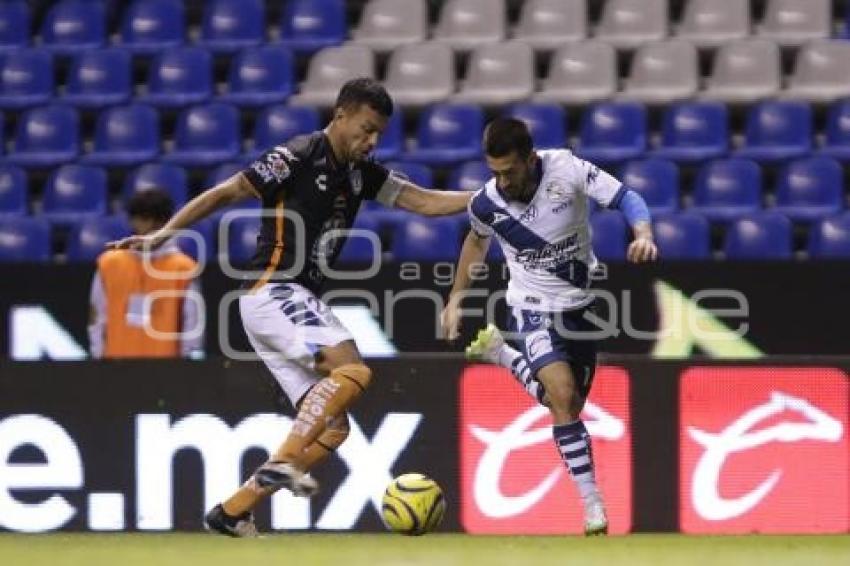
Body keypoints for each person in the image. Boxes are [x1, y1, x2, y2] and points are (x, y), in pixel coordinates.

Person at [108, 78, 472, 537]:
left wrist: (484, 200)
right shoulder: (297, 155)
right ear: (340, 115)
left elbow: (423, 201)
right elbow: (226, 192)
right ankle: (281, 462)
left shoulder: (363, 173)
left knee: (334, 430)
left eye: (378, 133)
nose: (372, 140)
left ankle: (233, 510)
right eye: (365, 128)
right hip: (272, 289)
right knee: (353, 372)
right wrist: (164, 235)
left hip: (286, 301)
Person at [440, 117, 657, 536]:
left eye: (510, 171)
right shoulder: (487, 203)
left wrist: (643, 233)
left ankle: (502, 355)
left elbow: (628, 198)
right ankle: (592, 503)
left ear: (530, 158)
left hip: (579, 307)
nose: (502, 181)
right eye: (494, 172)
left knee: (569, 405)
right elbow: (476, 241)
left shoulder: (567, 169)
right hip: (529, 308)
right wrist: (455, 298)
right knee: (560, 394)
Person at [89, 188, 203, 359]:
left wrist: (186, 367)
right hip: (116, 367)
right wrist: (99, 358)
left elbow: (192, 325)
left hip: (165, 371)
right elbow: (97, 319)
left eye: (147, 219)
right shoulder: (109, 263)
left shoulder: (184, 268)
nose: (143, 225)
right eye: (139, 218)